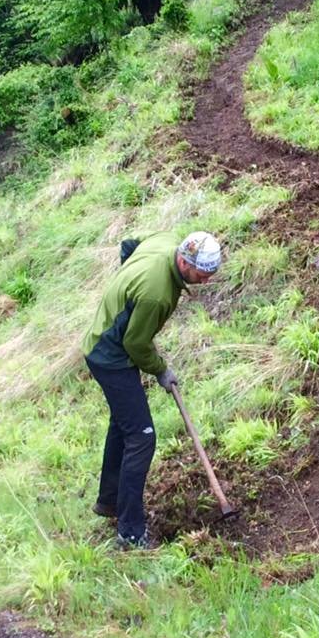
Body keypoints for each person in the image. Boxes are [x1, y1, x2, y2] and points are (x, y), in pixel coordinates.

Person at [82, 230, 222, 549]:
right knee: (142, 437)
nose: (205, 280)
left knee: (124, 424)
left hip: (107, 343)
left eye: (211, 274)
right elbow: (135, 343)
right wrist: (160, 370)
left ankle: (109, 502)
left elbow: (129, 245)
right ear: (185, 263)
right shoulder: (157, 294)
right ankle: (131, 534)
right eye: (203, 273)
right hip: (110, 355)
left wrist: (126, 294)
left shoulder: (164, 241)